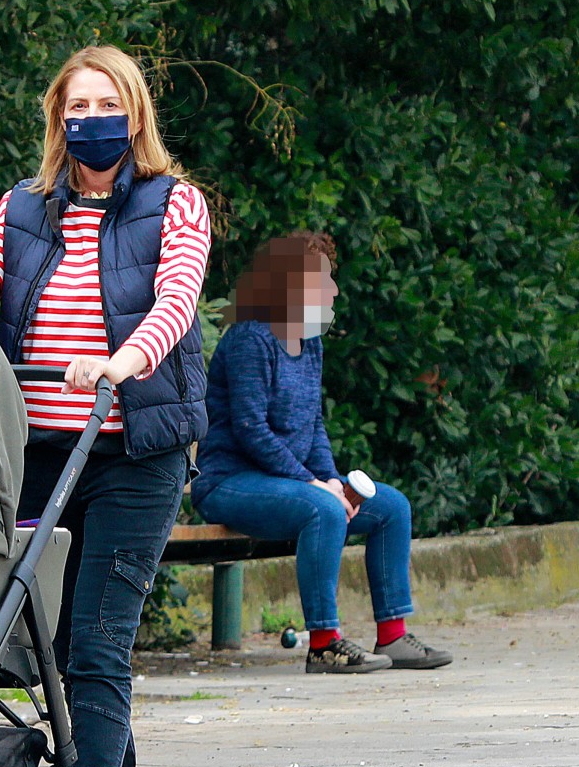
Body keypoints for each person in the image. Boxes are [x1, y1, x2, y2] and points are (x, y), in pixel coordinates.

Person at [0, 44, 213, 767]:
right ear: (58, 119)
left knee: (95, 640)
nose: (89, 118)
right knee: (54, 649)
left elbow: (176, 298)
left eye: (107, 102)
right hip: (42, 454)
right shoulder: (21, 209)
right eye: (74, 105)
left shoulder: (176, 203)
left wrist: (122, 359)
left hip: (134, 452)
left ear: (134, 115)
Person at [191, 232, 454, 674]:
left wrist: (332, 480)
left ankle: (393, 636)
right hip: (228, 483)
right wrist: (314, 486)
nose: (332, 291)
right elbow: (251, 429)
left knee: (390, 507)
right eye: (321, 281)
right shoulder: (249, 340)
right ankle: (324, 644)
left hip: (290, 483)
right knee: (323, 511)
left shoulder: (310, 342)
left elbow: (313, 425)